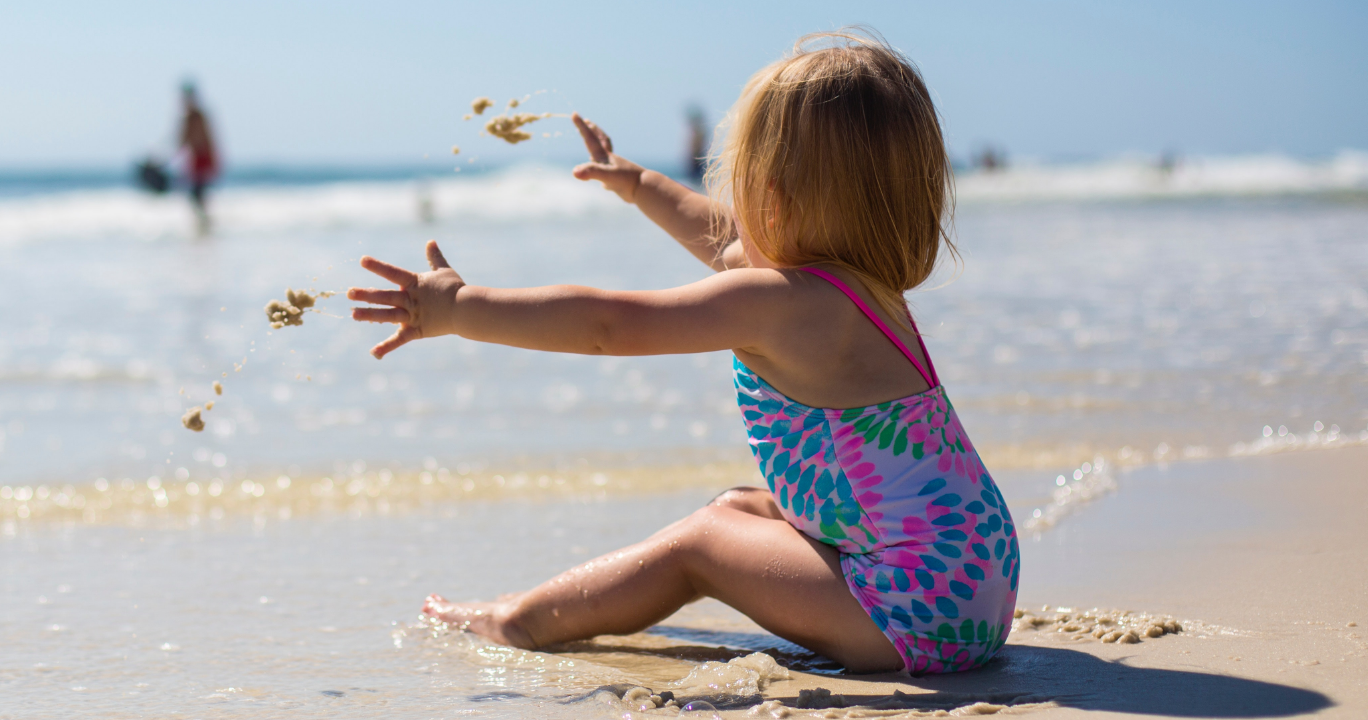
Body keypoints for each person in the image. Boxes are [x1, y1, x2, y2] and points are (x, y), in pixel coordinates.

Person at [347, 29, 1019, 675]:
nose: (730, 210)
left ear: (774, 200)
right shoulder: (861, 291)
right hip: (972, 581)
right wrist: (638, 184)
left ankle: (517, 620)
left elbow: (609, 325)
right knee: (737, 508)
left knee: (701, 544)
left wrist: (461, 309)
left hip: (914, 614)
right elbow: (722, 238)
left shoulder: (785, 304)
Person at [177, 81, 221, 233]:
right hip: (197, 159)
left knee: (197, 195)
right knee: (197, 195)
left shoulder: (196, 116)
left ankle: (206, 226)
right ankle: (204, 225)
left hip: (202, 159)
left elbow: (196, 139)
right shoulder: (192, 116)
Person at [684, 104, 709, 185]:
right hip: (698, 161)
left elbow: (695, 148)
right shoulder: (698, 131)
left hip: (697, 161)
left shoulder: (698, 132)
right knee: (697, 184)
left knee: (696, 183)